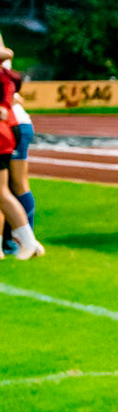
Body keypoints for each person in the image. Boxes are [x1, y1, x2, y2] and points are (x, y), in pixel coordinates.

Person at [0, 48, 40, 260]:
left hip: (8, 129)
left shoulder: (3, 78)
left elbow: (7, 53)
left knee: (8, 189)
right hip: (8, 129)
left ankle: (26, 240)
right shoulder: (7, 77)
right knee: (4, 191)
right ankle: (23, 240)